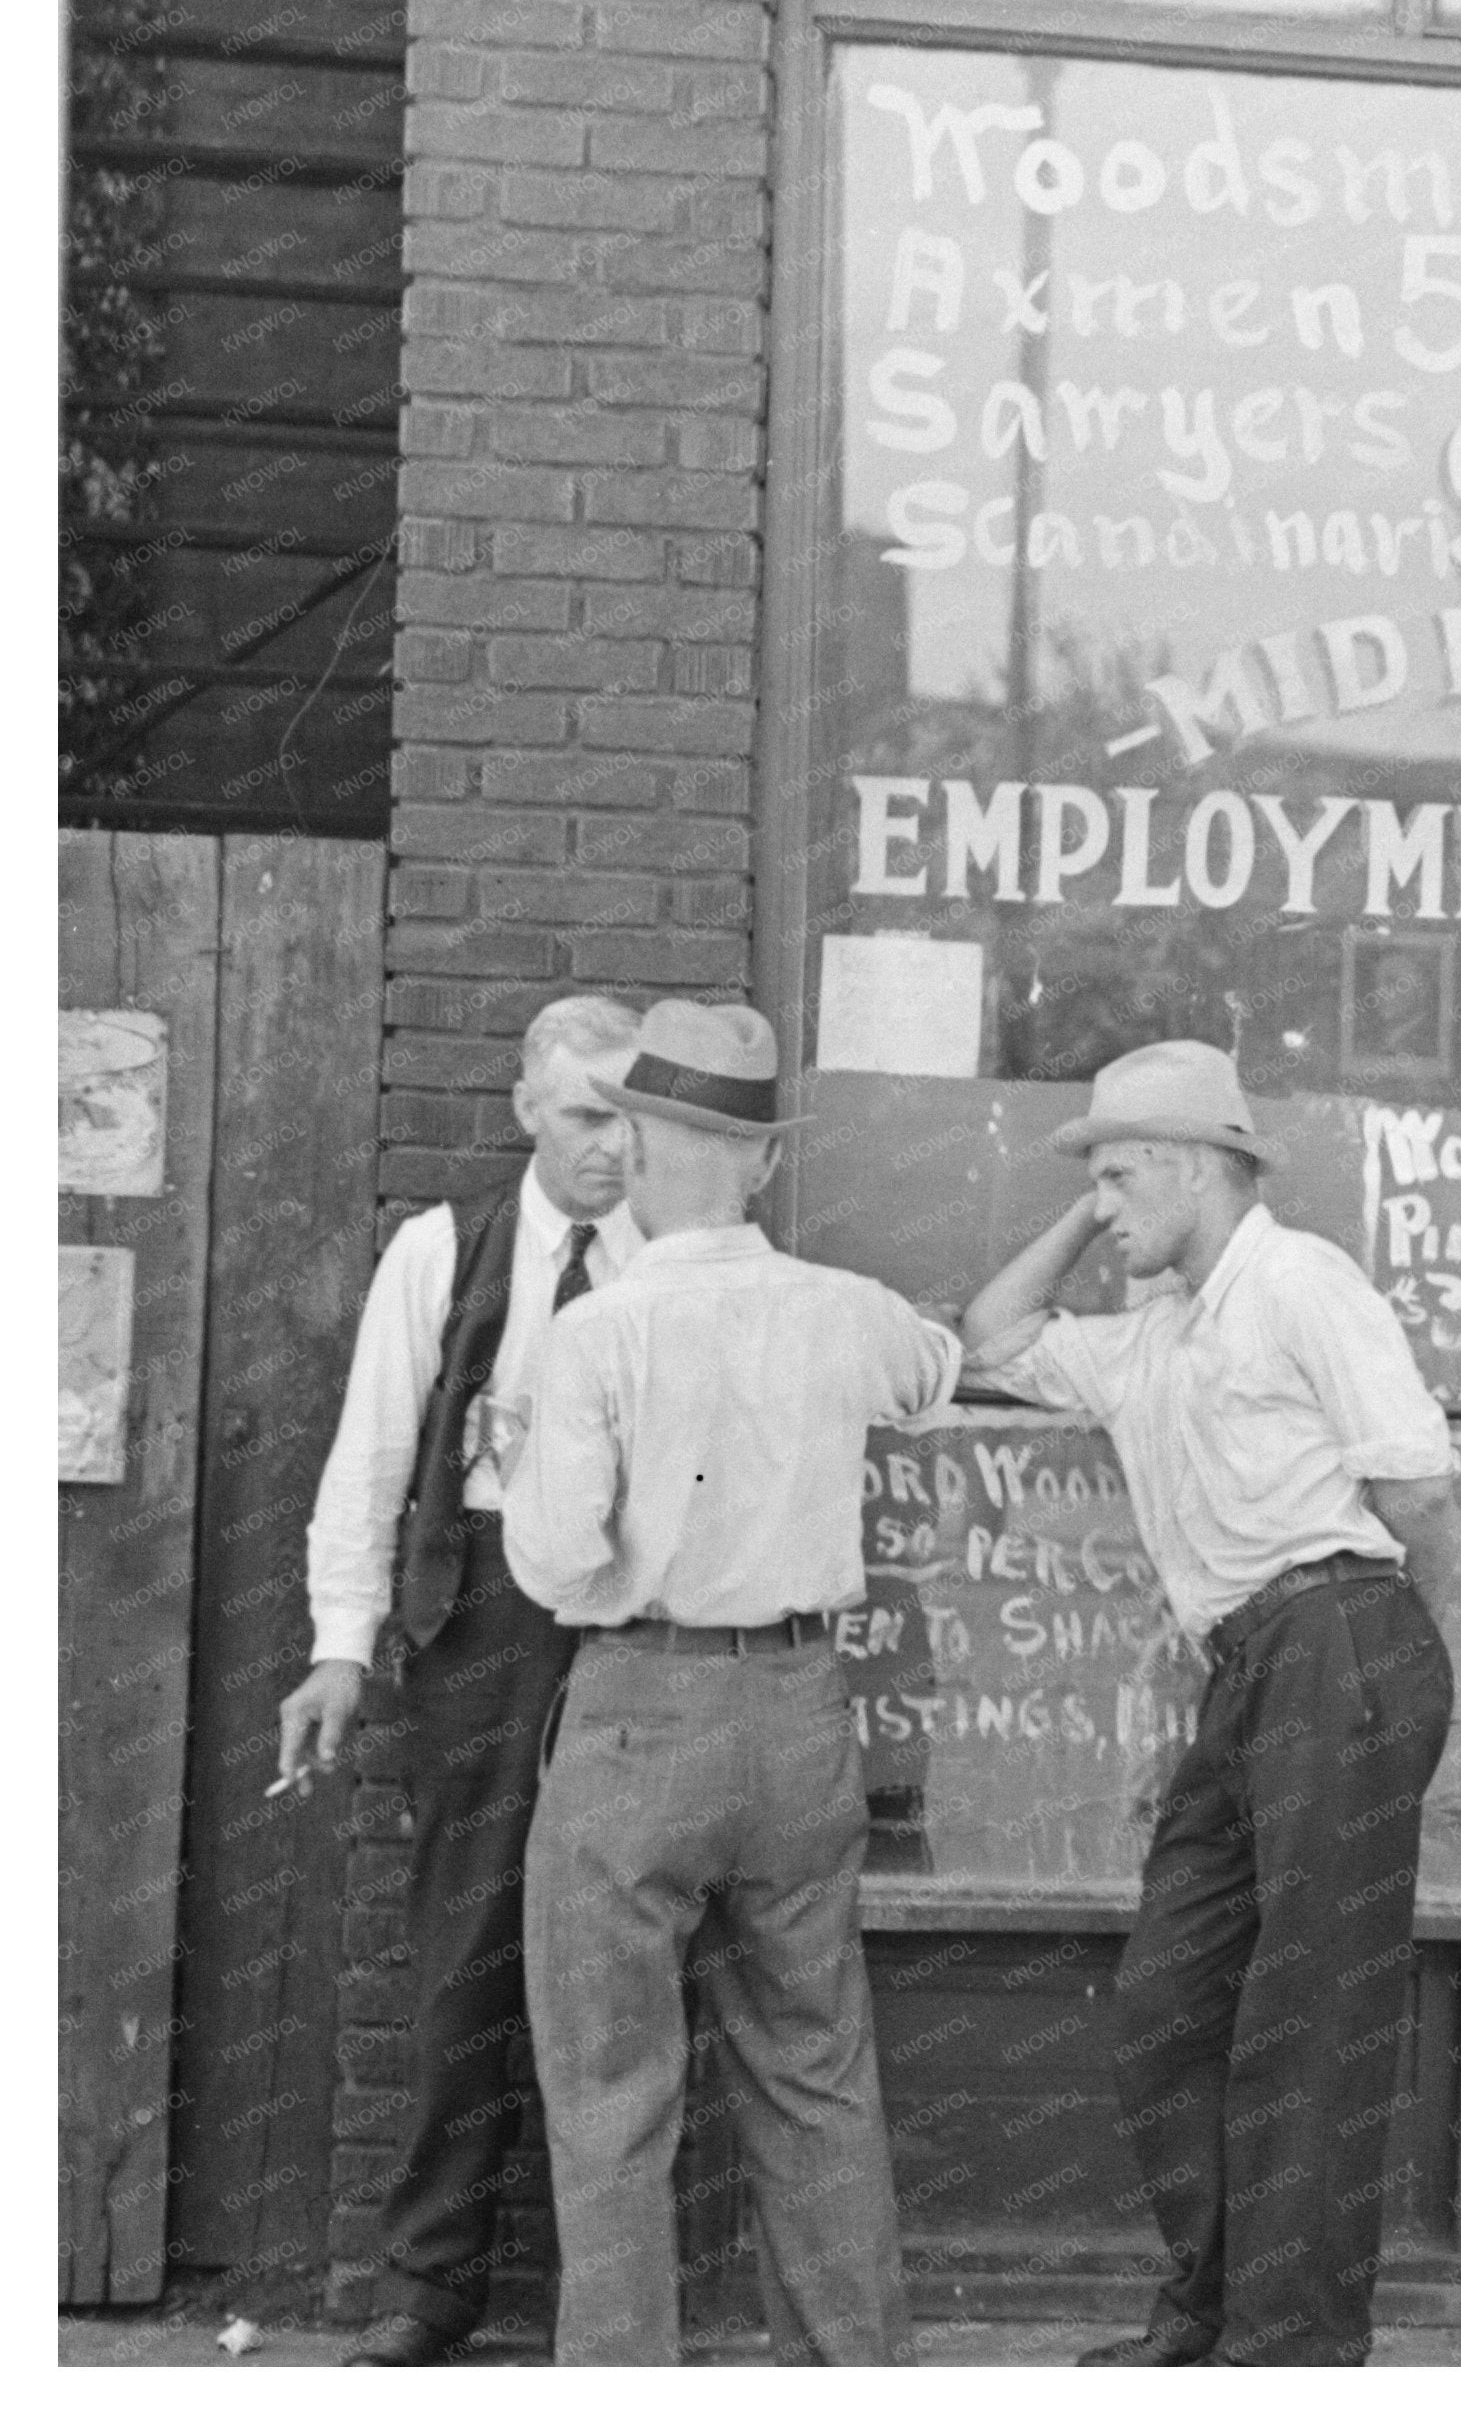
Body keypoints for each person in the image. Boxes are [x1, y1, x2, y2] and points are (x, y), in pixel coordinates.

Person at [961, 1039, 1459, 2367]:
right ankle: (1210, 2314)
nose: (1107, 1206)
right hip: (1247, 1669)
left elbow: (1412, 1489)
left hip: (1338, 1632)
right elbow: (994, 1336)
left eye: (1123, 1177)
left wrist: (1391, 1655)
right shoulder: (1152, 1337)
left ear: (1195, 1167)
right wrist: (1092, 1201)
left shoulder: (1303, 1282)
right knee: (1171, 2009)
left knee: (1314, 2016)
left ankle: (1288, 2355)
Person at [501, 998, 960, 2365]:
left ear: (636, 1147)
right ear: (763, 1161)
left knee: (610, 2096)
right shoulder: (845, 1311)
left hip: (641, 1707)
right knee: (815, 2070)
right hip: (802, 1710)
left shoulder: (596, 1331)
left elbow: (556, 1561)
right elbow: (939, 1373)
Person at [275, 992, 643, 2368]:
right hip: (482, 1624)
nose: (613, 1146)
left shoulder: (679, 1257)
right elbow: (372, 1456)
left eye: (633, 1116)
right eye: (587, 1114)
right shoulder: (445, 1250)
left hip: (633, 1616)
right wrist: (340, 1645)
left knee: (622, 1953)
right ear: (528, 1110)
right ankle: (434, 2282)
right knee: (468, 1951)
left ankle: (608, 2298)